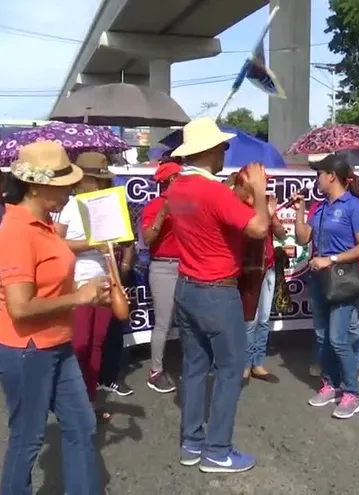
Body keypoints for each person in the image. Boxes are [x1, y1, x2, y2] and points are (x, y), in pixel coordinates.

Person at [0, 141, 109, 494]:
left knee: (82, 425)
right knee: (27, 439)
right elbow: (20, 307)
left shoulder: (43, 223)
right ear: (37, 186)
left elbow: (53, 275)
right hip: (24, 348)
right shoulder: (17, 231)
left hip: (55, 342)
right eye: (64, 183)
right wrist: (80, 297)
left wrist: (86, 288)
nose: (71, 190)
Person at [166, 118, 270, 473]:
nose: (225, 151)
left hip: (187, 287)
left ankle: (192, 443)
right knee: (230, 370)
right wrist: (258, 193)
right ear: (208, 151)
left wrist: (236, 193)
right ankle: (218, 451)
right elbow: (257, 228)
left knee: (194, 368)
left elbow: (214, 213)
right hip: (215, 290)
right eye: (222, 147)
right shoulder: (212, 191)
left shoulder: (178, 187)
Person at [292, 155, 359, 419]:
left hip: (343, 279)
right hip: (321, 280)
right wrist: (301, 209)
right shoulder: (321, 207)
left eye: (319, 174)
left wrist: (332, 259)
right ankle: (330, 385)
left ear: (331, 177)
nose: (316, 180)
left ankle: (352, 393)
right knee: (322, 337)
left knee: (339, 338)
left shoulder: (355, 207)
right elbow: (303, 238)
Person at [57, 152, 135, 413]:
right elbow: (57, 245)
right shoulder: (69, 205)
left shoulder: (109, 204)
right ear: (84, 179)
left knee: (98, 341)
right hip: (77, 281)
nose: (100, 184)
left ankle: (89, 401)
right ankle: (73, 403)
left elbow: (122, 244)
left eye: (102, 179)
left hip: (104, 279)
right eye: (96, 179)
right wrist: (93, 243)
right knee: (80, 343)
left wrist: (119, 248)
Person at [227, 173, 287, 383]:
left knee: (263, 319)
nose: (266, 185)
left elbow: (281, 234)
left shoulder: (268, 203)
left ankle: (257, 363)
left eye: (267, 182)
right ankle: (244, 365)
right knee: (248, 320)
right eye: (263, 182)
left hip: (267, 268)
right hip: (248, 270)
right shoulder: (238, 204)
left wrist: (272, 218)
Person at [141, 159, 182, 393]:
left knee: (189, 322)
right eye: (179, 177)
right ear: (170, 181)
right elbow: (147, 240)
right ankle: (155, 371)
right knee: (164, 323)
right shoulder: (154, 206)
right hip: (164, 268)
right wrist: (163, 214)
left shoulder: (189, 205)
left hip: (189, 267)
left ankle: (192, 365)